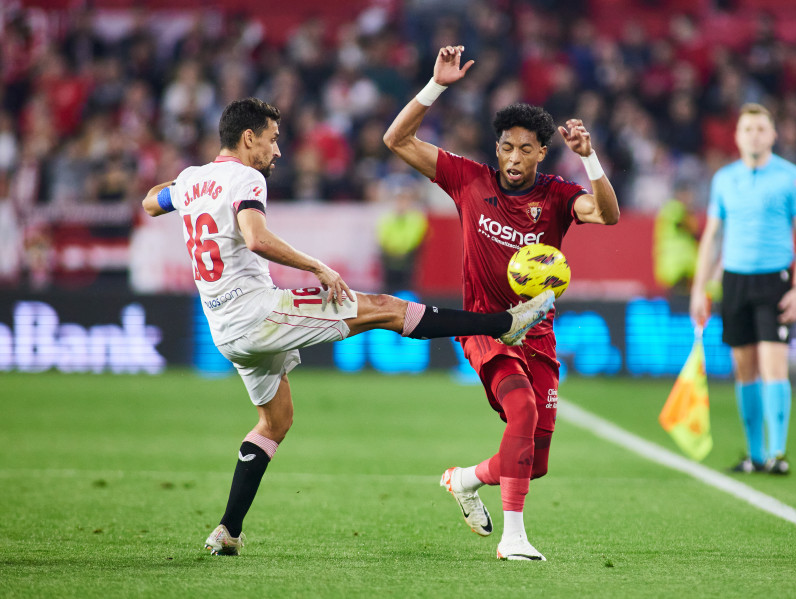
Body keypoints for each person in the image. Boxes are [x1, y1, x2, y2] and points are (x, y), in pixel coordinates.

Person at [140, 97, 555, 556]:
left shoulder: (193, 180)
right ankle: (504, 323)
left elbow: (150, 202)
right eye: (273, 141)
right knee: (386, 309)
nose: (277, 152)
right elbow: (256, 238)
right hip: (257, 314)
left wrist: (184, 185)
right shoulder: (246, 176)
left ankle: (228, 531)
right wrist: (316, 266)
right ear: (248, 138)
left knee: (275, 422)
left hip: (223, 329)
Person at [383, 46, 620, 561]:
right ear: (497, 149)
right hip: (487, 328)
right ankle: (514, 539)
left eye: (525, 149)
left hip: (537, 330)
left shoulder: (558, 195)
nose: (513, 159)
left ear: (541, 153)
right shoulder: (469, 180)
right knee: (522, 408)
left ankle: (465, 480)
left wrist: (589, 158)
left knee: (532, 461)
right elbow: (395, 139)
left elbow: (607, 215)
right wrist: (436, 86)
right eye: (506, 147)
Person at [690, 103, 796, 475]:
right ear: (737, 136)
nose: (754, 135)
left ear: (774, 135)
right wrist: (701, 289)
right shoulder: (725, 179)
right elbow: (712, 237)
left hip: (774, 279)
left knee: (774, 365)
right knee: (744, 369)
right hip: (734, 280)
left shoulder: (791, 177)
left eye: (761, 129)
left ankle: (778, 453)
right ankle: (755, 455)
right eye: (748, 129)